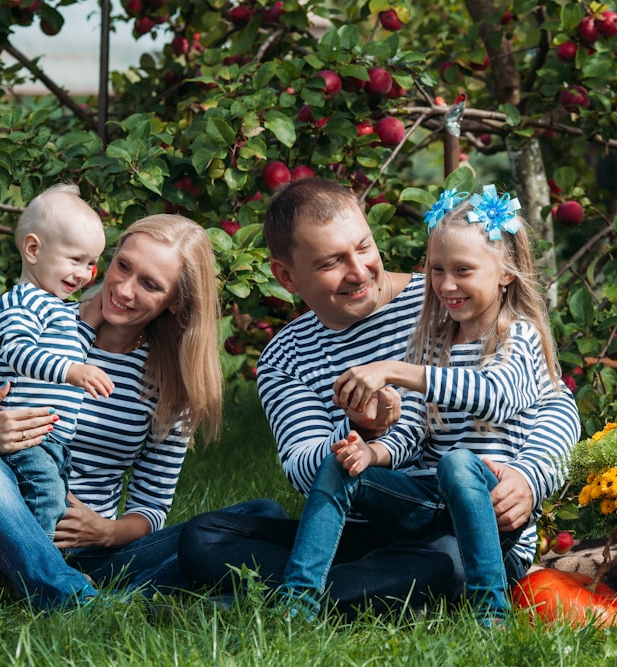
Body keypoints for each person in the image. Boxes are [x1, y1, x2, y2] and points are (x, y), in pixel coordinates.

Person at [178, 178, 580, 618]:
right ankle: (354, 589)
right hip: (364, 522)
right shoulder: (285, 357)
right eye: (332, 261)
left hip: (457, 531)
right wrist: (363, 436)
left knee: (440, 564)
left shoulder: (443, 305)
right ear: (286, 276)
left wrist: (530, 476)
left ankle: (275, 600)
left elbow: (552, 401)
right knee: (203, 538)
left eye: (363, 247)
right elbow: (303, 468)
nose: (358, 271)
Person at [0, 213, 284, 609]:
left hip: (93, 553)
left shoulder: (168, 383)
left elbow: (152, 507)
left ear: (175, 301)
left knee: (262, 516)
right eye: (123, 266)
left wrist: (106, 532)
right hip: (0, 532)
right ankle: (72, 596)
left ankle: (97, 592)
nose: (123, 289)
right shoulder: (39, 328)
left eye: (150, 285)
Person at [0, 184, 114, 539]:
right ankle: (37, 576)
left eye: (92, 263)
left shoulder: (61, 310)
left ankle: (15, 565)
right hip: (20, 436)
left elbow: (75, 342)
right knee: (45, 501)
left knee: (47, 503)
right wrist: (72, 371)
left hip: (53, 442)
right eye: (75, 259)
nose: (84, 273)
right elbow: (18, 353)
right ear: (33, 249)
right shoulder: (20, 301)